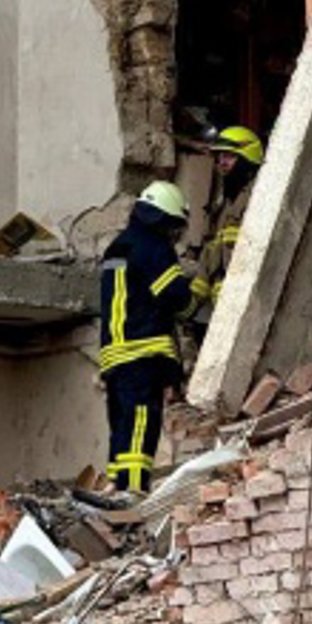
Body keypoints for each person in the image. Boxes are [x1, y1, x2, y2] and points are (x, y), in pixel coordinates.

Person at [99, 181, 196, 496]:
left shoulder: (117, 247)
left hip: (113, 355)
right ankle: (133, 489)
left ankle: (116, 483)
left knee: (121, 423)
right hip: (142, 352)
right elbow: (175, 296)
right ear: (164, 219)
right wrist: (194, 290)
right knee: (141, 421)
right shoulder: (154, 247)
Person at [191, 125, 264, 314]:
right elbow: (210, 252)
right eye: (220, 156)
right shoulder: (223, 204)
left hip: (251, 305)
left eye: (230, 156)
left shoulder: (259, 198)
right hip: (223, 309)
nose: (222, 162)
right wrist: (191, 303)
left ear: (248, 158)